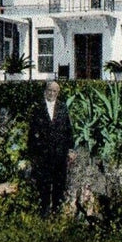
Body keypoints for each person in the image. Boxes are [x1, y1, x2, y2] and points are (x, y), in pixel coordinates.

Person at [27, 81, 75, 217]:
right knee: (44, 183)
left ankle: (57, 211)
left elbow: (68, 130)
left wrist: (71, 149)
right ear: (45, 92)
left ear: (58, 93)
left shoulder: (63, 108)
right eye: (49, 90)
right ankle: (44, 211)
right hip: (43, 153)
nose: (51, 93)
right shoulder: (38, 109)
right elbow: (32, 132)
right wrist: (32, 153)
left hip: (60, 152)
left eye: (54, 91)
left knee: (59, 182)